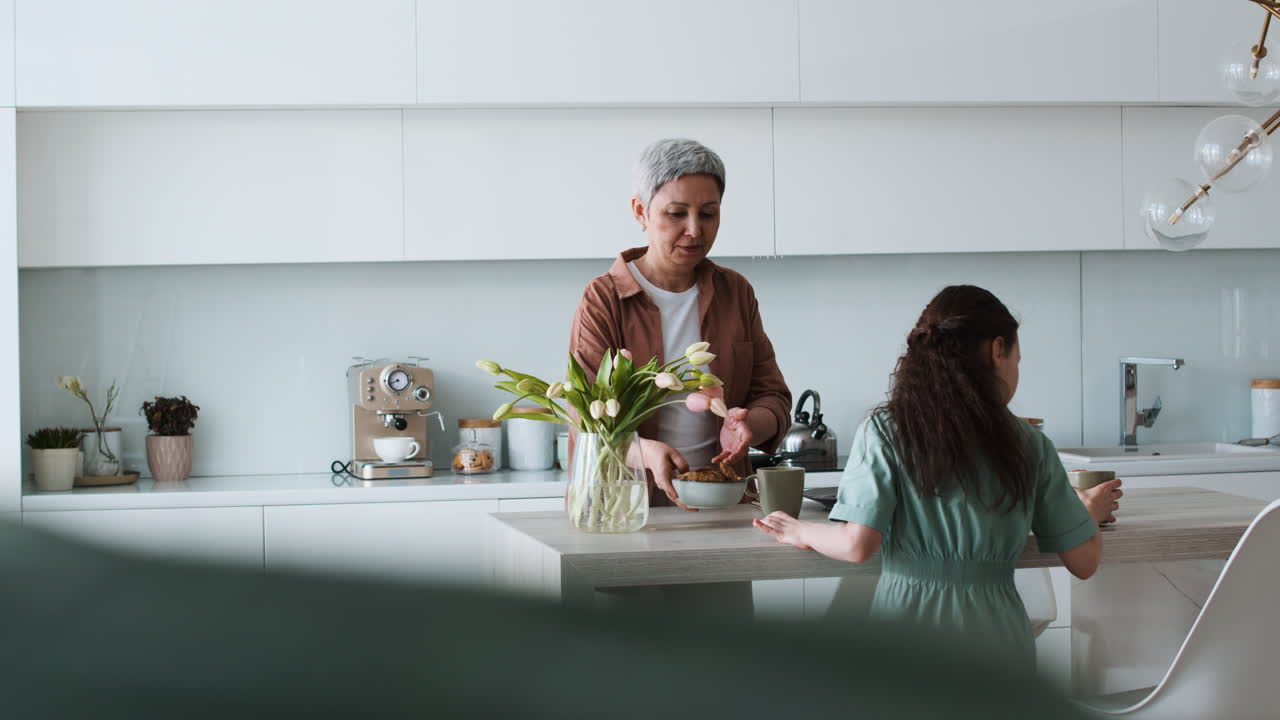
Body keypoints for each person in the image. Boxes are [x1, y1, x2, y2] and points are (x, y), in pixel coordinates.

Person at [754, 285, 1120, 664]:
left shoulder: (885, 428)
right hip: (999, 643)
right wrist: (1086, 514)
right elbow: (1084, 562)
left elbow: (856, 544)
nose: (1017, 371)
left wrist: (800, 530)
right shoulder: (1029, 443)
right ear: (997, 350)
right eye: (1018, 359)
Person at [569, 137, 791, 510]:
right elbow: (583, 416)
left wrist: (749, 423)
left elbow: (774, 397)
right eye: (676, 213)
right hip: (627, 509)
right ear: (641, 212)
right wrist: (643, 452)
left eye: (708, 213)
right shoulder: (604, 298)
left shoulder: (735, 292)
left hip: (724, 504)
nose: (694, 230)